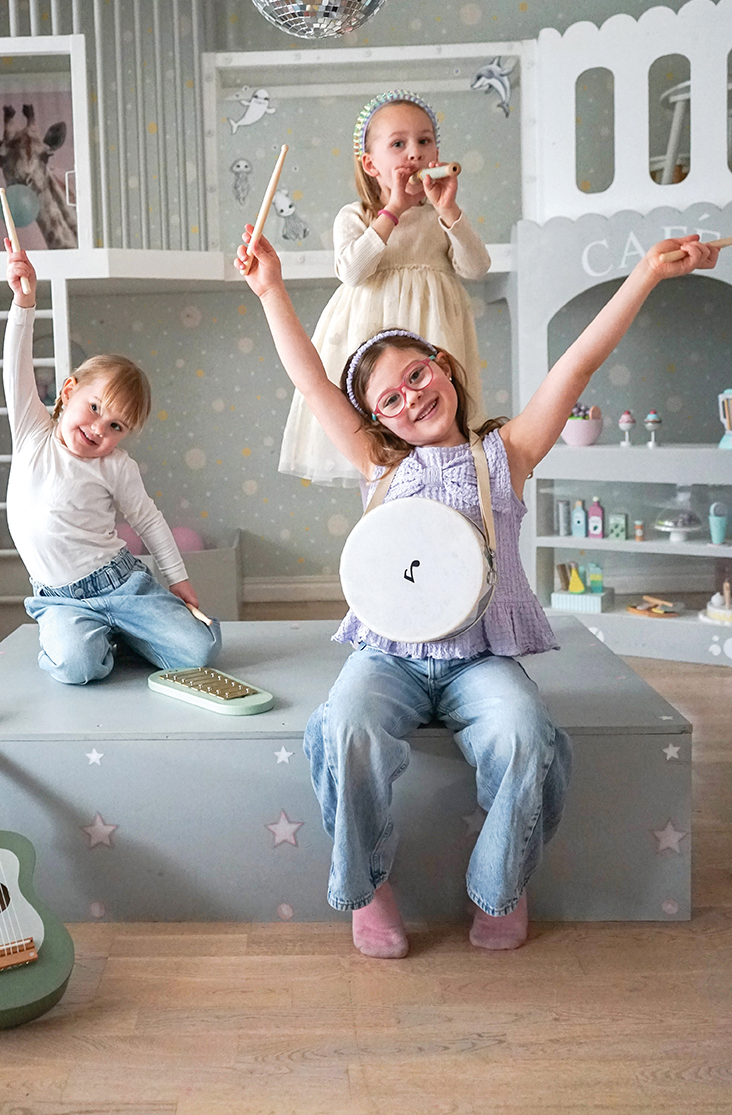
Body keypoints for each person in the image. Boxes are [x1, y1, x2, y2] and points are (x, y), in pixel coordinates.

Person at [236, 224, 718, 958]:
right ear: (376, 420)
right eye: (389, 400)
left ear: (443, 366)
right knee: (346, 725)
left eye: (415, 376)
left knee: (524, 731)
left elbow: (578, 362)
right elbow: (310, 381)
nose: (409, 399)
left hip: (478, 657)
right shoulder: (378, 463)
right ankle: (369, 884)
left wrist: (646, 273)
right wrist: (271, 288)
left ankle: (500, 881)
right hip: (390, 654)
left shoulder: (506, 452)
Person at [3, 241, 220, 684]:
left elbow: (149, 521)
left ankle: (127, 630)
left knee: (201, 649)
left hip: (120, 585)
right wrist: (24, 304)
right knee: (76, 667)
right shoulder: (32, 433)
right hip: (61, 599)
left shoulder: (116, 466)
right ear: (68, 391)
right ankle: (102, 639)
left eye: (116, 426)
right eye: (95, 408)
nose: (99, 429)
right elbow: (15, 367)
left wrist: (177, 579)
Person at [278, 91, 491, 486]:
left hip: (429, 342)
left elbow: (476, 267)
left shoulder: (438, 217)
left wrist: (449, 211)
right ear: (371, 164)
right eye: (398, 144)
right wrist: (392, 209)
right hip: (372, 345)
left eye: (424, 141)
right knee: (379, 453)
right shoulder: (357, 215)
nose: (414, 153)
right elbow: (352, 271)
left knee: (435, 437)